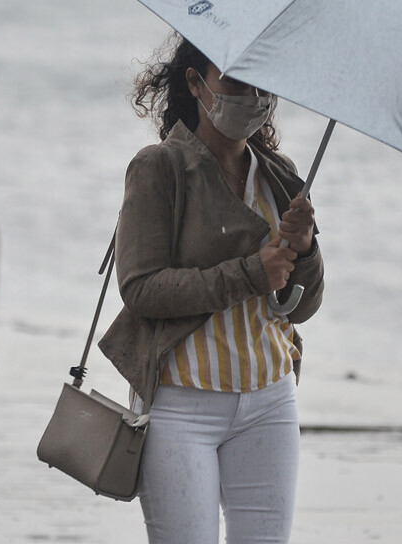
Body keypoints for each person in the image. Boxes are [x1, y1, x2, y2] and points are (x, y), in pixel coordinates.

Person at [98, 34, 325, 544]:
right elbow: (141, 289)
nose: (252, 97)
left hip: (270, 399)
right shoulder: (160, 167)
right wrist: (250, 273)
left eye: (262, 84)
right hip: (182, 403)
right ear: (196, 83)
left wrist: (304, 251)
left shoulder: (281, 177)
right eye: (236, 81)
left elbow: (303, 306)